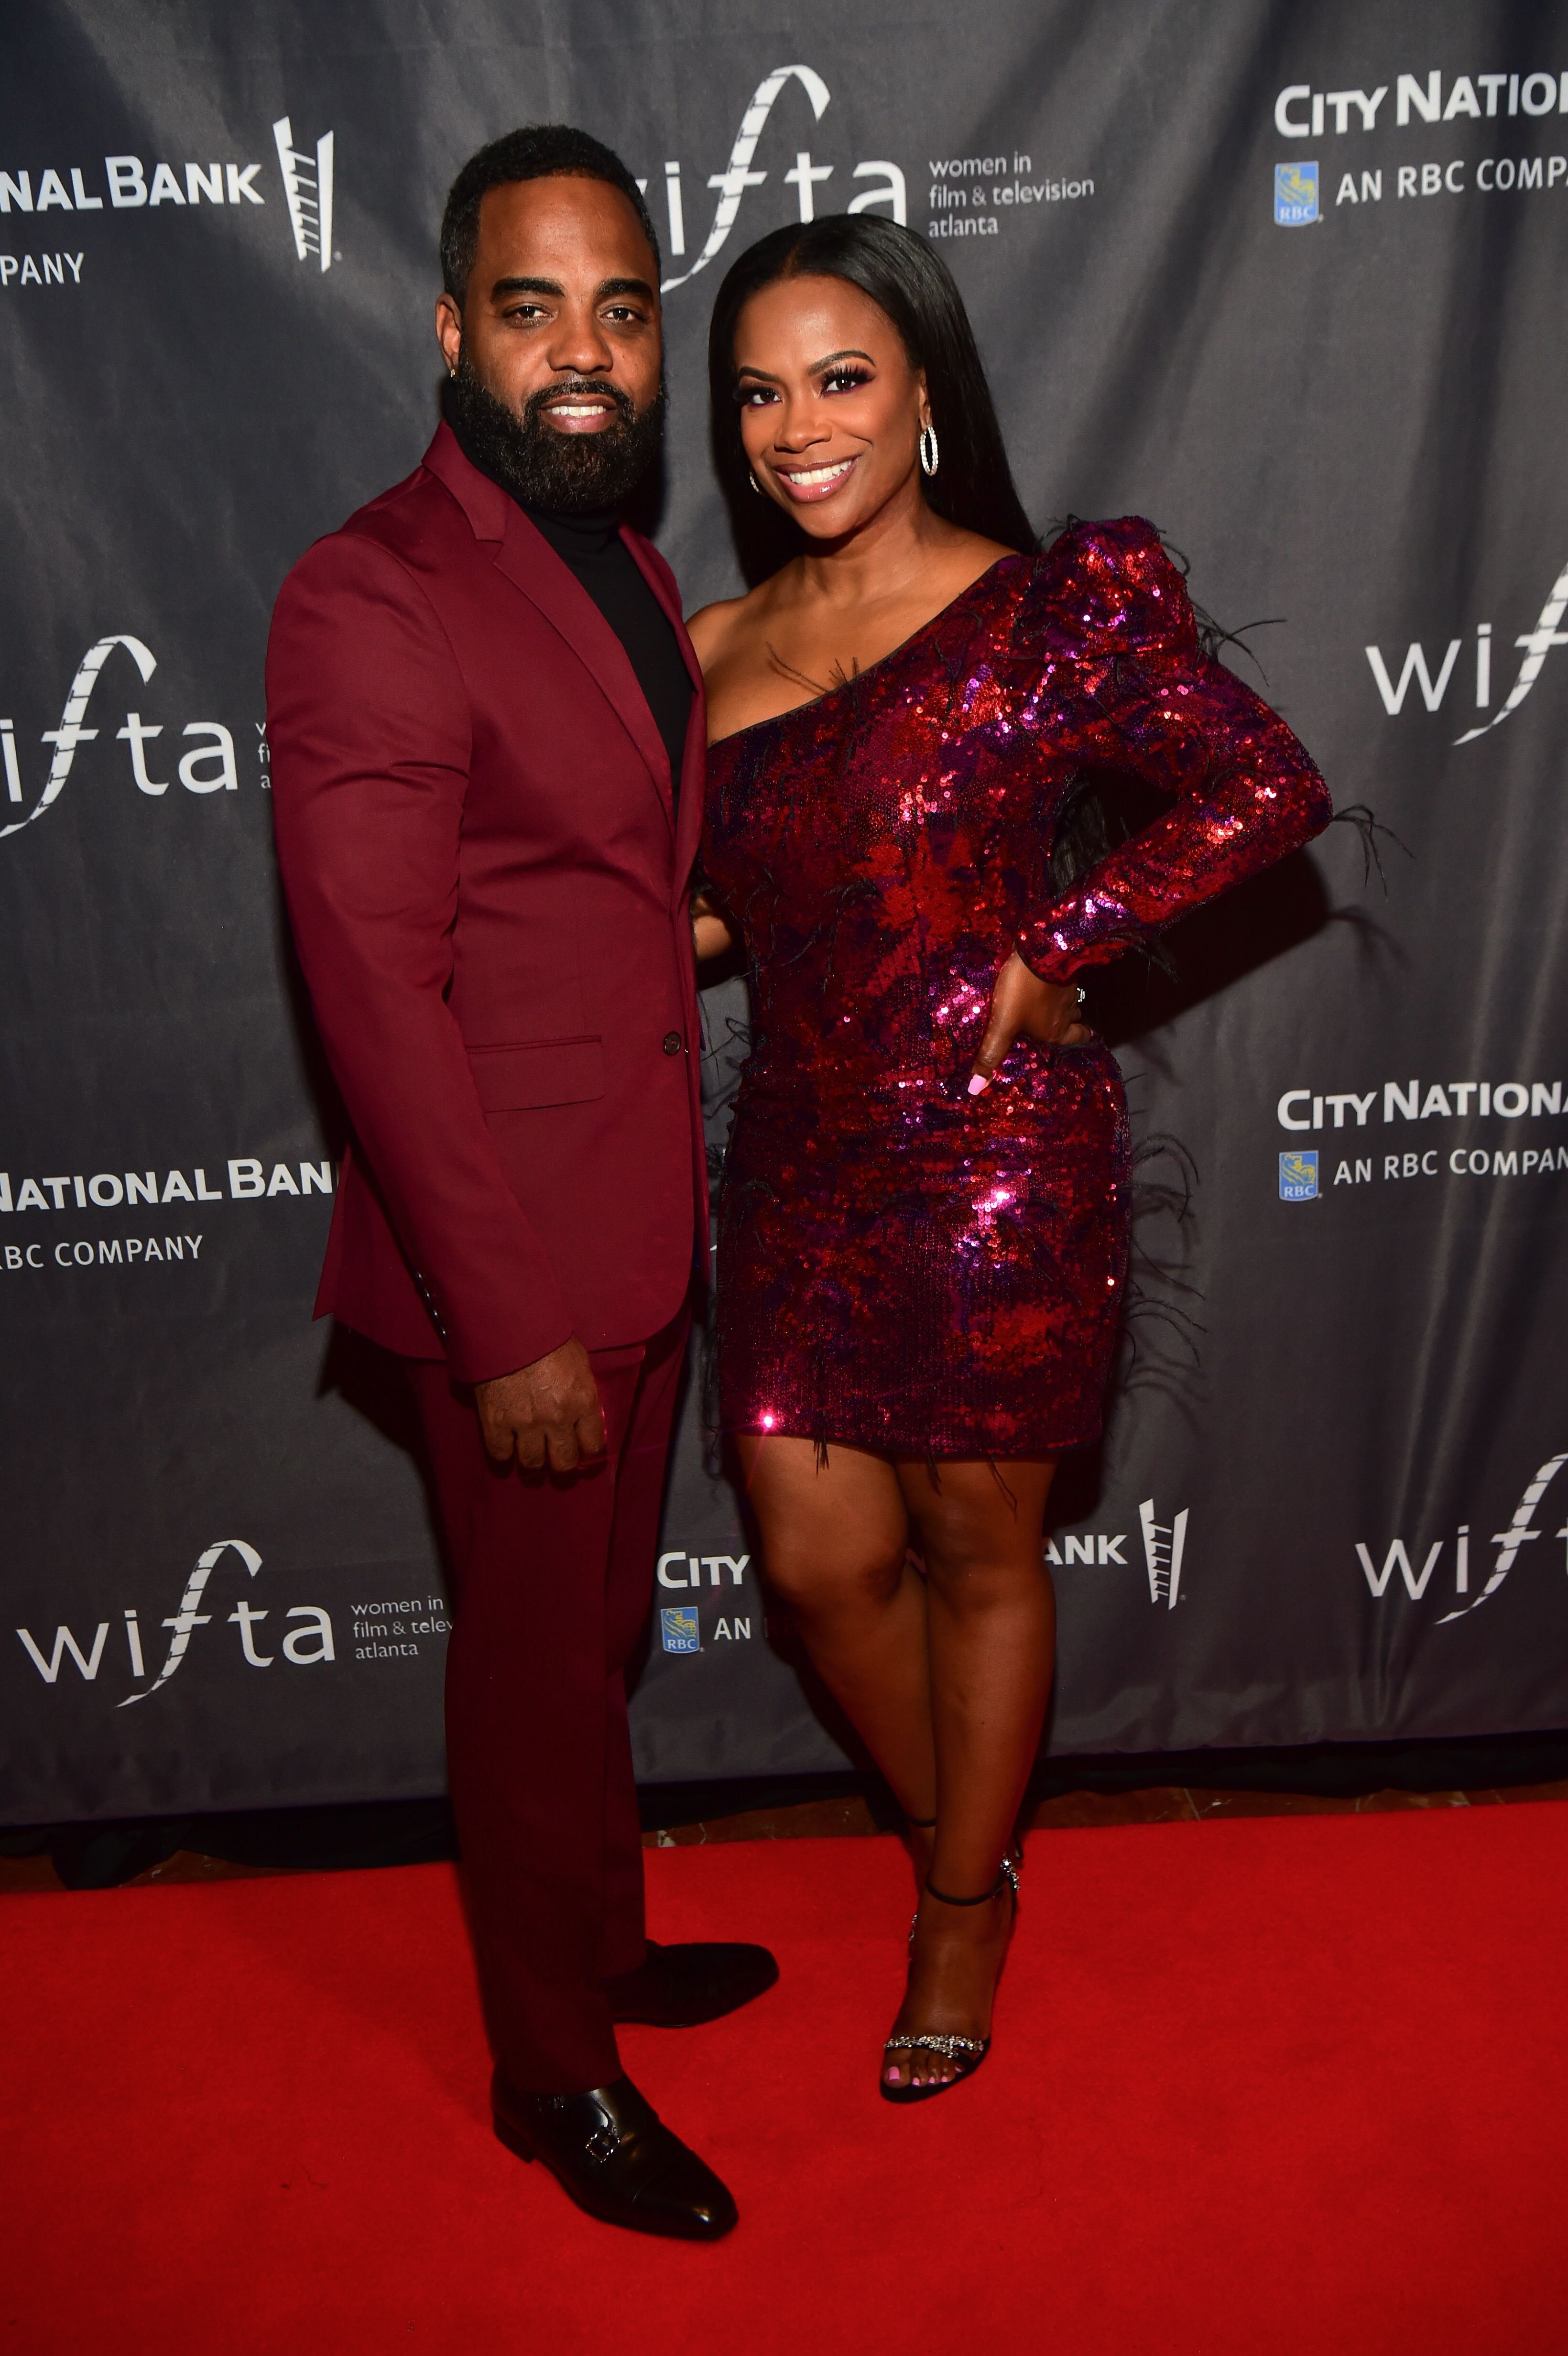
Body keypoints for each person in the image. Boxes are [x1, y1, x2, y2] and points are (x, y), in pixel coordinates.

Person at [688, 216, 1331, 2101]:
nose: (794, 425)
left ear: (923, 396)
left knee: (978, 1542)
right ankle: (971, 1828)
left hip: (994, 1157)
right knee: (814, 1559)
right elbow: (743, 908)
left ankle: (960, 1897)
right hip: (798, 1147)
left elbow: (1264, 787)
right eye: (757, 392)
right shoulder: (715, 643)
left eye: (839, 378)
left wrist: (1065, 940)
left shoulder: (1046, 611)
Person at [266, 127, 776, 2240]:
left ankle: (605, 1941)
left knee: (582, 1652)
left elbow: (591, 901)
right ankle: (549, 2071)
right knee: (527, 1655)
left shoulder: (626, 559)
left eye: (626, 308)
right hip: (525, 1271)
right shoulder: (370, 587)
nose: (587, 351)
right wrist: (507, 1317)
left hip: (640, 1215)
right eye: (536, 303)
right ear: (452, 322)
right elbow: (372, 991)